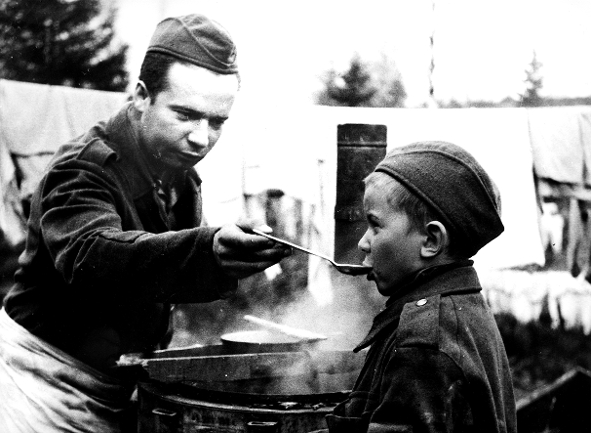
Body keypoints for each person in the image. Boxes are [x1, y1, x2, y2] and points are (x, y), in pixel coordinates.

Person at [0, 13, 290, 433]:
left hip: (120, 386)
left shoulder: (178, 175)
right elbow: (92, 257)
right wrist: (207, 250)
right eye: (185, 115)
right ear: (140, 96)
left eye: (217, 121)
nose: (201, 138)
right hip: (40, 385)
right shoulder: (82, 170)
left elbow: (159, 278)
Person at [315, 141, 517, 433]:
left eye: (375, 225)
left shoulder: (424, 342)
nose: (362, 243)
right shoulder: (459, 308)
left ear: (431, 240)